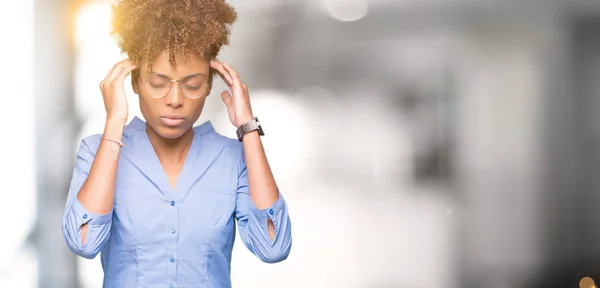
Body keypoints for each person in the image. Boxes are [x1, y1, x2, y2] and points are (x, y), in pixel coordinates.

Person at [61, 1, 292, 287]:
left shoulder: (232, 159)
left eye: (192, 85)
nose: (174, 100)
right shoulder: (98, 152)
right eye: (158, 83)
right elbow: (84, 242)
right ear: (133, 81)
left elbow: (273, 247)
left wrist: (248, 129)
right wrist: (114, 122)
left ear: (209, 85)